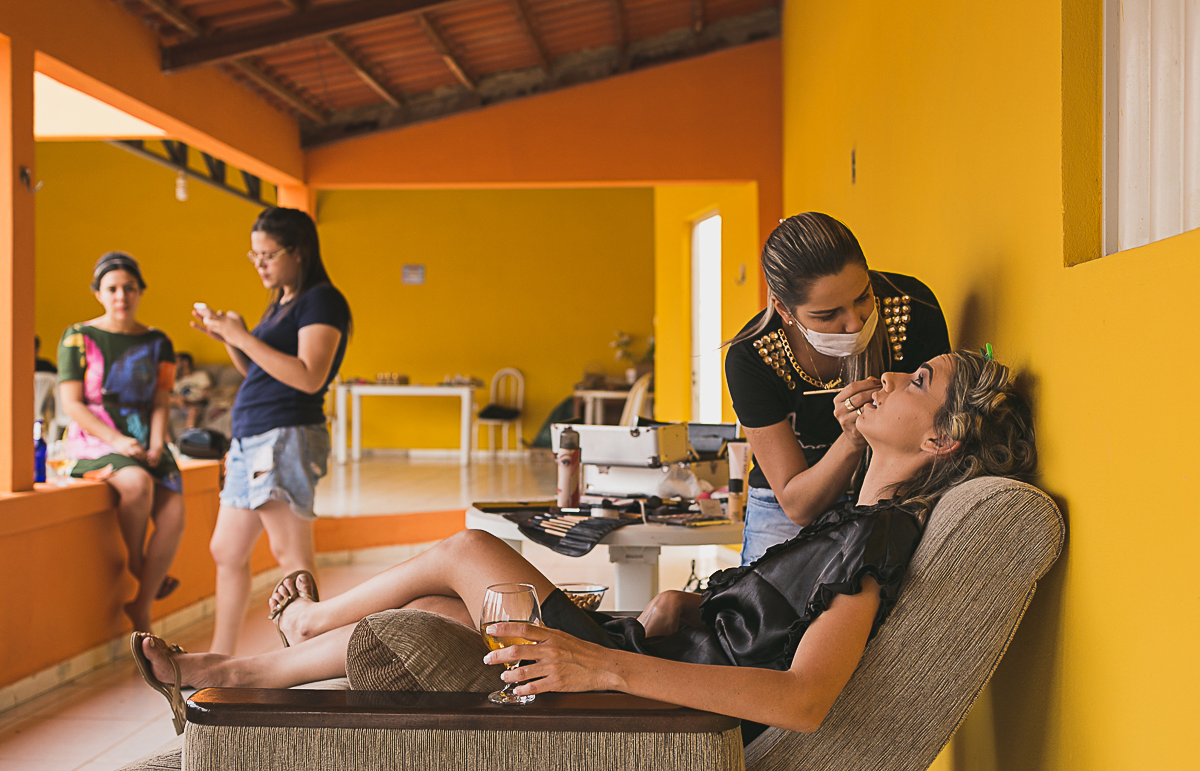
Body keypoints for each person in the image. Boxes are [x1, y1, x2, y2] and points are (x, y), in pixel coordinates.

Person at [134, 351, 1036, 742]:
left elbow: (802, 703)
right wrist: (689, 609)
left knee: (463, 548)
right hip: (652, 648)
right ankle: (236, 675)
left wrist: (602, 668)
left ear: (943, 442)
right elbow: (773, 614)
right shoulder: (855, 517)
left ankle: (291, 637)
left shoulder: (877, 535)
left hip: (641, 689)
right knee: (436, 611)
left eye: (919, 381)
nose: (888, 377)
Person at [724, 213, 951, 565]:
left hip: (895, 492)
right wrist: (851, 440)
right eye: (828, 315)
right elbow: (797, 506)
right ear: (784, 309)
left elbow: (941, 424)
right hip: (791, 505)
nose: (854, 324)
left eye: (863, 297)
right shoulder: (753, 359)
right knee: (762, 614)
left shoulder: (912, 307)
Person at [190, 207, 351, 655]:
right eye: (254, 254)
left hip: (284, 434)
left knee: (292, 557)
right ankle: (220, 660)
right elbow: (258, 368)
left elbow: (308, 376)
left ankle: (312, 658)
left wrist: (242, 337)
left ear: (298, 252)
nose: (259, 263)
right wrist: (228, 335)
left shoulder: (322, 300)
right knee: (226, 550)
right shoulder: (282, 300)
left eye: (269, 254)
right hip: (253, 437)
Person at [59, 252, 185, 631]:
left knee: (174, 514)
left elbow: (161, 401)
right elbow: (72, 404)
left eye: (129, 288)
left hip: (145, 433)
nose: (121, 296)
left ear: (141, 291)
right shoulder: (77, 338)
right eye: (112, 288)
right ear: (99, 293)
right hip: (94, 435)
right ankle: (135, 562)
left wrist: (158, 442)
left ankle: (140, 605)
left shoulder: (159, 342)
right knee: (136, 482)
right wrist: (117, 439)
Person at [170, 352, 212, 431]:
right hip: (178, 407)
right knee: (159, 413)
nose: (173, 364)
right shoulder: (174, 380)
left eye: (176, 361)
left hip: (194, 405)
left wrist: (190, 401)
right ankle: (169, 443)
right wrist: (176, 400)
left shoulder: (200, 375)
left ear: (185, 362)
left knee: (193, 409)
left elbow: (206, 394)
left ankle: (187, 436)